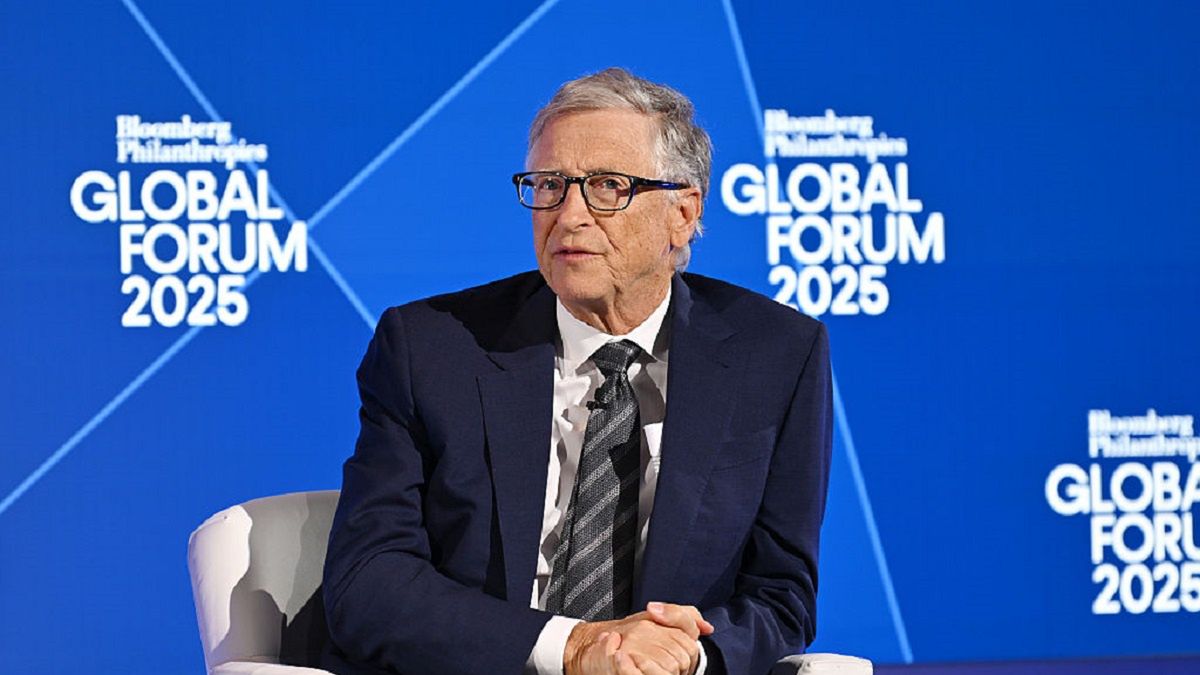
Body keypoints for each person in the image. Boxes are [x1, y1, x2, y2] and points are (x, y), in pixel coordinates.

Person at [321, 67, 832, 675]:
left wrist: (688, 654)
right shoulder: (431, 349)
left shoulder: (776, 353)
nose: (568, 216)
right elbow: (368, 582)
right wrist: (572, 646)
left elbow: (782, 594)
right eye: (549, 185)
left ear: (684, 211)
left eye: (608, 187)